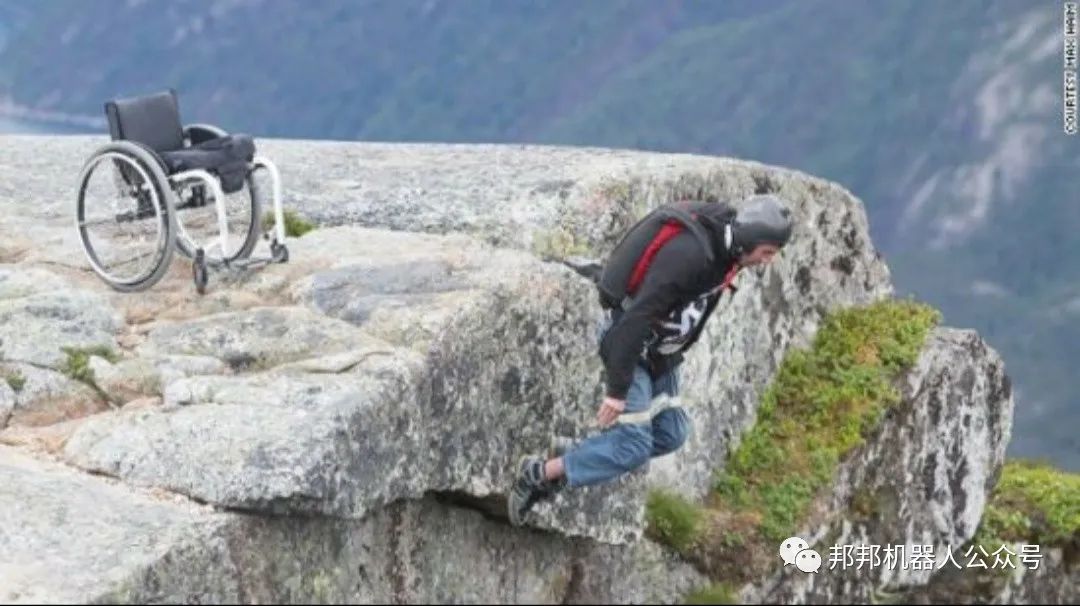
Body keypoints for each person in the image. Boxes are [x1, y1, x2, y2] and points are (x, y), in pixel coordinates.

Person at [507, 193, 795, 526]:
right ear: (750, 240)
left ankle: (580, 455)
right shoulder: (691, 256)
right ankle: (539, 474)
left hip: (661, 352)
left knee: (672, 432)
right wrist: (618, 389)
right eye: (768, 252)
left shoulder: (728, 244)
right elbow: (636, 317)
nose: (767, 260)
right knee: (633, 446)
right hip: (632, 345)